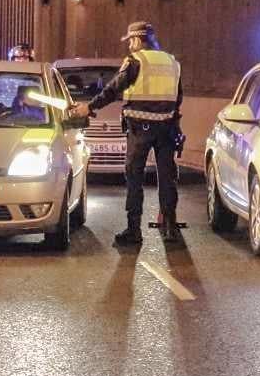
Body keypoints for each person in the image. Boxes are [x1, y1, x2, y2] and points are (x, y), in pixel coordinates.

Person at [72, 21, 183, 245]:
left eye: (130, 40)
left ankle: (134, 230)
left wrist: (89, 107)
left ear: (138, 39)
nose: (129, 45)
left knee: (134, 177)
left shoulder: (135, 61)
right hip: (167, 128)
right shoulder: (172, 62)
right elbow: (178, 97)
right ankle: (170, 228)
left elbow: (113, 89)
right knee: (167, 177)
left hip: (140, 129)